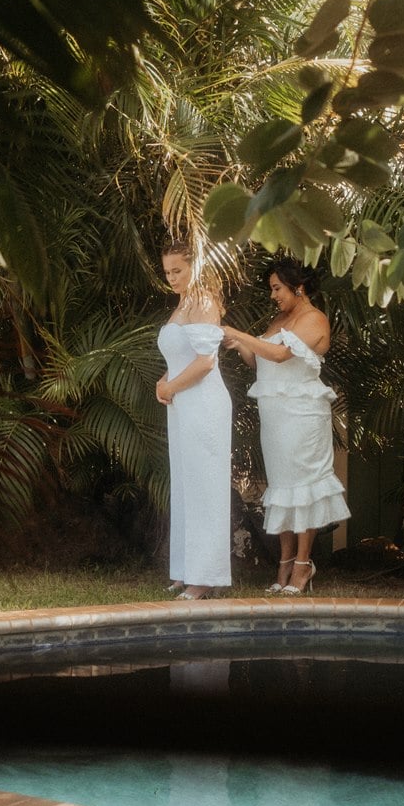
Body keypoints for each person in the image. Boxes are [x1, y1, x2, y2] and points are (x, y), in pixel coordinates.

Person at [223, 256, 349, 595]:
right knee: (282, 488)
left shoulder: (314, 319)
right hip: (275, 416)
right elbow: (260, 360)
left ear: (299, 286)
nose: (273, 295)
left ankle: (303, 565)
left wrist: (238, 332)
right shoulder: (279, 319)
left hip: (304, 416)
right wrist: (240, 346)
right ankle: (285, 561)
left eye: (277, 288)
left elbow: (280, 356)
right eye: (272, 289)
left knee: (304, 487)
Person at [156, 236, 232, 600]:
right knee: (186, 484)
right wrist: (164, 380)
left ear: (195, 266)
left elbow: (205, 362)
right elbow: (179, 356)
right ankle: (187, 568)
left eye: (178, 270)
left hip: (203, 402)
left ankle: (206, 575)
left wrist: (172, 388)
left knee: (205, 485)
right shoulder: (183, 303)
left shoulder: (203, 301)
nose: (171, 278)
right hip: (183, 402)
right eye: (167, 271)